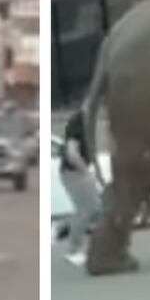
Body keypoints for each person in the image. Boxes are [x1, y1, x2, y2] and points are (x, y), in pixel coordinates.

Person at [57, 110, 104, 267]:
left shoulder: (88, 120)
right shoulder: (78, 121)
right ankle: (73, 251)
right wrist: (86, 172)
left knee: (94, 208)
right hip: (73, 172)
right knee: (88, 210)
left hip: (76, 171)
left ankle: (60, 228)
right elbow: (72, 153)